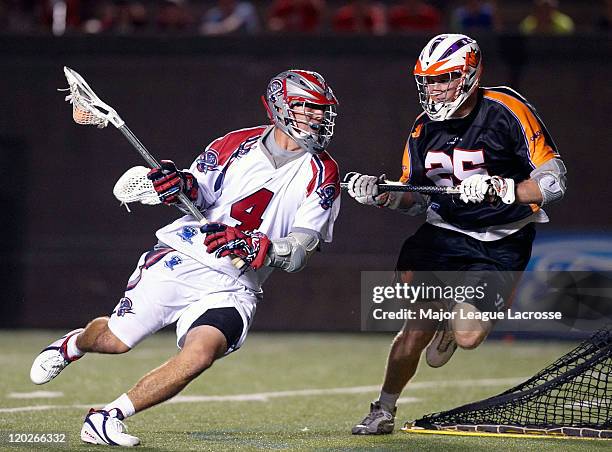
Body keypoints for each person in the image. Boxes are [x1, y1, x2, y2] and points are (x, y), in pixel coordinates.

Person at [30, 69, 341, 446]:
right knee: (114, 341)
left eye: (321, 110)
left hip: (236, 283)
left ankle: (107, 417)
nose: (317, 116)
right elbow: (198, 195)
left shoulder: (323, 173)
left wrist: (261, 247)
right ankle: (74, 344)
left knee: (200, 354)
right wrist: (178, 185)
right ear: (278, 106)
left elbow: (300, 251)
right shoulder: (233, 144)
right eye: (306, 107)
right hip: (184, 257)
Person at [346, 33, 567, 434]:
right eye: (428, 80)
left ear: (471, 73)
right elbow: (415, 196)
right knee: (416, 322)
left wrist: (506, 189)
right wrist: (382, 195)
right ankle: (383, 408)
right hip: (445, 231)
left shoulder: (506, 109)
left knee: (467, 336)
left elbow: (554, 183)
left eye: (445, 78)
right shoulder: (422, 127)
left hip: (503, 235)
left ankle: (451, 322)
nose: (435, 88)